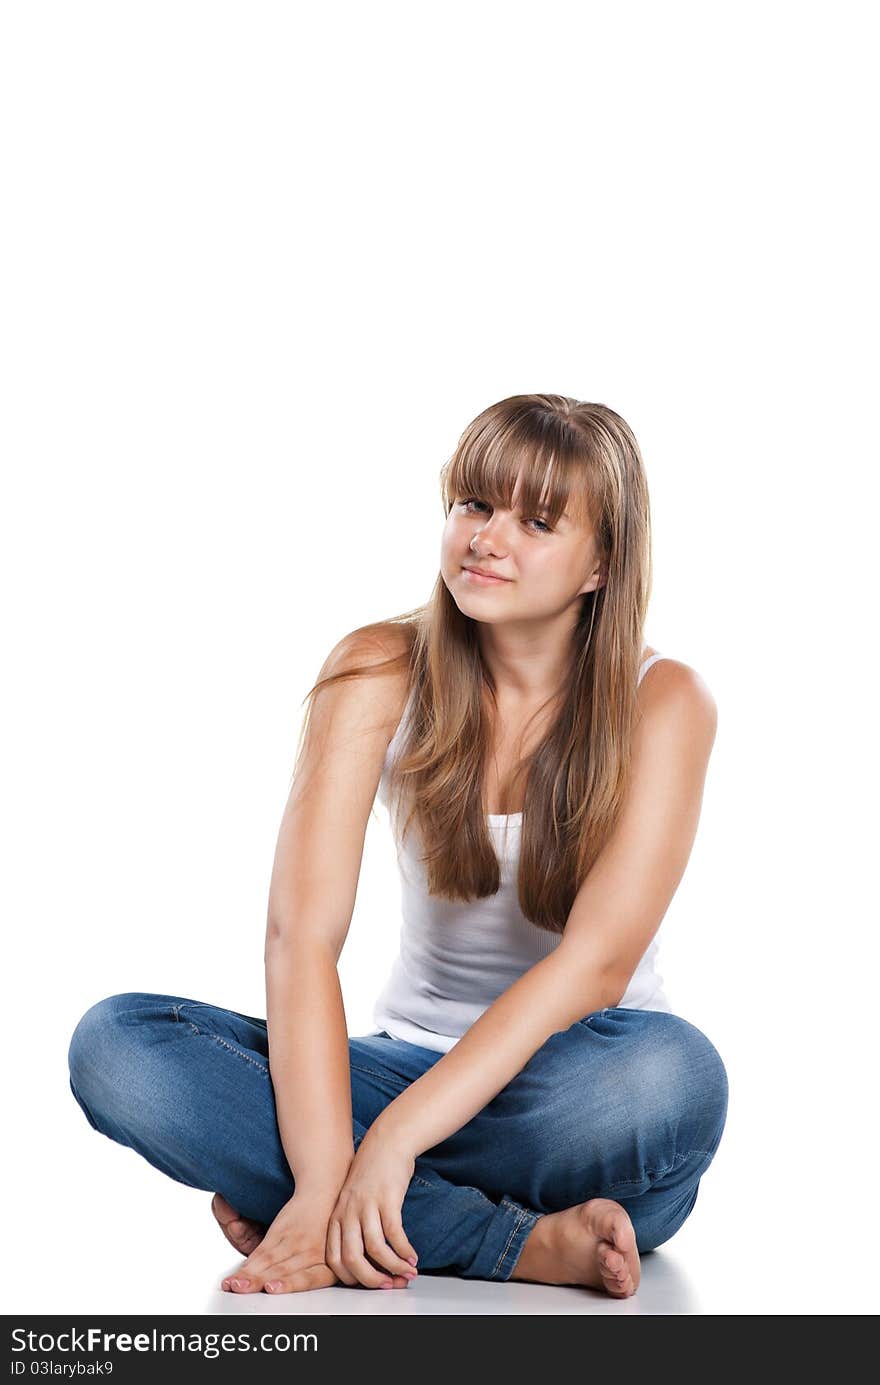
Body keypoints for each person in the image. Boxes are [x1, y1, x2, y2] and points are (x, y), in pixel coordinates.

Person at [68, 393, 728, 1300]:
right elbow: (300, 938)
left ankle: (356, 1200)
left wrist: (387, 1143)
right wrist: (331, 1162)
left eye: (536, 521)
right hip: (401, 1064)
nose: (488, 538)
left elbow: (594, 967)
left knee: (673, 1080)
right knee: (117, 1046)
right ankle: (514, 1242)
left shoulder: (666, 702)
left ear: (601, 563)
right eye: (474, 505)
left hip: (576, 1100)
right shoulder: (377, 669)